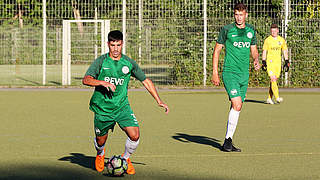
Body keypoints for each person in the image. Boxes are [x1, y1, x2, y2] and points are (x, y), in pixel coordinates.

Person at [82, 30, 169, 174]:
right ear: (108, 45)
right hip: (102, 108)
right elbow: (86, 80)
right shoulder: (101, 61)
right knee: (101, 140)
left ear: (122, 44)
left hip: (122, 107)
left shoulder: (128, 63)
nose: (115, 49)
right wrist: (102, 83)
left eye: (118, 45)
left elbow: (146, 81)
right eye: (112, 45)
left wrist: (159, 100)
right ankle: (100, 153)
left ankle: (126, 158)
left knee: (135, 135)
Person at [211, 3, 260, 152]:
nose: (238, 17)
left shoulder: (251, 31)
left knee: (236, 107)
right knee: (237, 104)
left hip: (244, 75)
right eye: (236, 14)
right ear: (234, 15)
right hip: (230, 73)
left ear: (246, 15)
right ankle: (227, 142)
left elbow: (254, 50)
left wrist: (256, 60)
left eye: (241, 14)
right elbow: (217, 51)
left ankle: (228, 140)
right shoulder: (227, 30)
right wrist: (215, 72)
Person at [261, 23, 290, 104]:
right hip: (270, 63)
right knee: (273, 79)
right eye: (272, 31)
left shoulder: (281, 40)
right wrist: (263, 61)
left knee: (273, 81)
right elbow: (264, 51)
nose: (273, 32)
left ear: (278, 30)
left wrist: (287, 61)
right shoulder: (267, 40)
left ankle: (269, 98)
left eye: (275, 31)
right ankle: (277, 97)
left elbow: (284, 51)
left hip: (278, 63)